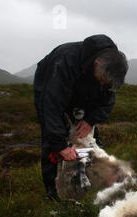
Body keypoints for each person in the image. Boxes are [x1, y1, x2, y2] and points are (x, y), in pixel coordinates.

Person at [33, 34, 128, 201]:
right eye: (103, 80)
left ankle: (93, 181)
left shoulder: (109, 69)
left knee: (88, 137)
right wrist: (59, 145)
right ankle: (55, 194)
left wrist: (91, 120)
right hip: (51, 87)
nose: (104, 84)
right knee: (54, 143)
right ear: (96, 65)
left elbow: (107, 99)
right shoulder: (64, 62)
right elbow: (50, 107)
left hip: (84, 90)